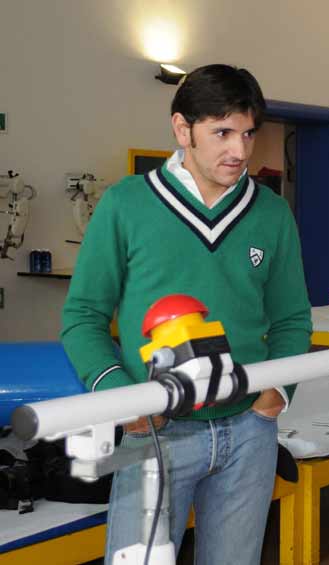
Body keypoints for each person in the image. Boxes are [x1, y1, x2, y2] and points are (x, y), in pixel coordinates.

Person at [61, 64, 312, 564]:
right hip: (155, 430)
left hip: (248, 432)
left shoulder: (271, 213)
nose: (239, 151)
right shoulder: (126, 204)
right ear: (182, 129)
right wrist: (121, 398)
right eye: (221, 132)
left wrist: (277, 392)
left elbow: (291, 320)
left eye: (247, 134)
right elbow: (83, 316)